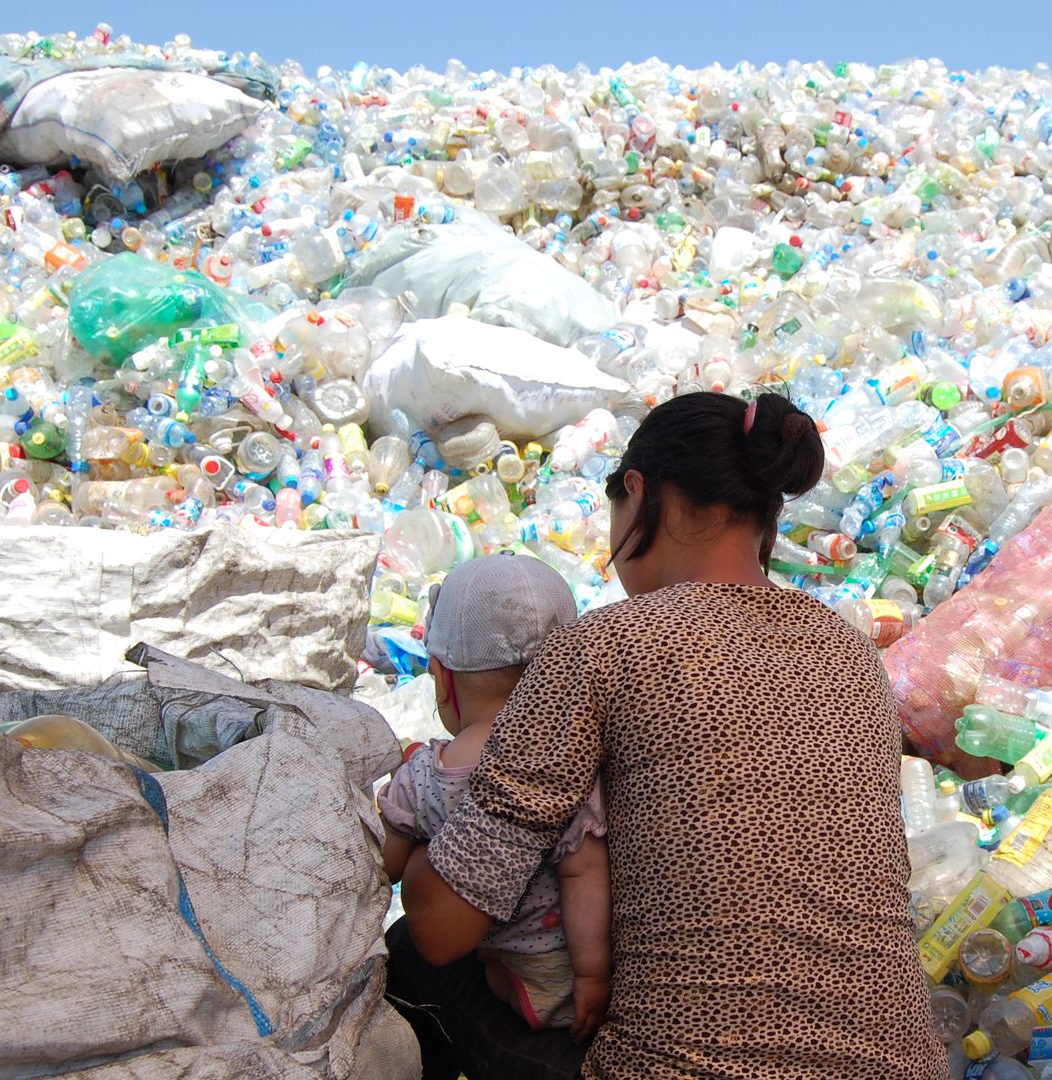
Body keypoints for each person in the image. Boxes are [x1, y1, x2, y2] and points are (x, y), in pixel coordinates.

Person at [394, 391, 947, 1079]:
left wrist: (419, 818)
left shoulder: (607, 645)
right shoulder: (851, 653)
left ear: (638, 492)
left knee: (409, 954)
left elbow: (444, 928)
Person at [379, 553, 612, 1040]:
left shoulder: (424, 774)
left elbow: (384, 864)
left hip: (498, 963)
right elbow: (584, 871)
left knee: (405, 949)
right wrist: (591, 974)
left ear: (443, 679)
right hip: (561, 976)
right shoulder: (578, 765)